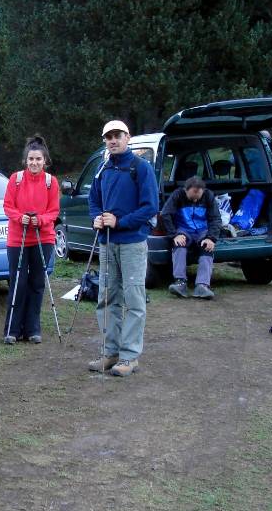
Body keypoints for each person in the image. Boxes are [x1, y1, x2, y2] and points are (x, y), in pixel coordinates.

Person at [88, 120, 159, 377]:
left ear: (127, 137)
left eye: (117, 135)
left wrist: (121, 222)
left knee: (134, 299)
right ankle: (110, 352)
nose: (113, 140)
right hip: (107, 243)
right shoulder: (103, 168)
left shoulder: (141, 167)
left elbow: (150, 207)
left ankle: (130, 357)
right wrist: (96, 218)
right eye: (108, 137)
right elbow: (94, 201)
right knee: (107, 297)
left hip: (132, 243)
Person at [3, 135, 60, 344]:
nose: (34, 163)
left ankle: (33, 329)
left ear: (45, 161)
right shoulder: (15, 179)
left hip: (42, 238)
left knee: (37, 283)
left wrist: (41, 220)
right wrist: (21, 217)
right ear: (25, 160)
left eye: (38, 159)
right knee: (18, 282)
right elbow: (8, 206)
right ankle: (12, 329)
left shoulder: (51, 182)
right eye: (31, 159)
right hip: (18, 239)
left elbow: (54, 211)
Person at [161, 176, 221, 300]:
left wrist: (211, 238)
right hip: (183, 230)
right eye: (192, 196)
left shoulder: (209, 196)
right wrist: (174, 235)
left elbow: (215, 218)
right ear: (186, 190)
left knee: (207, 247)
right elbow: (165, 214)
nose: (195, 199)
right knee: (179, 244)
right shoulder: (177, 195)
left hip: (202, 231)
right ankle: (180, 283)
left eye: (198, 197)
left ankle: (202, 285)